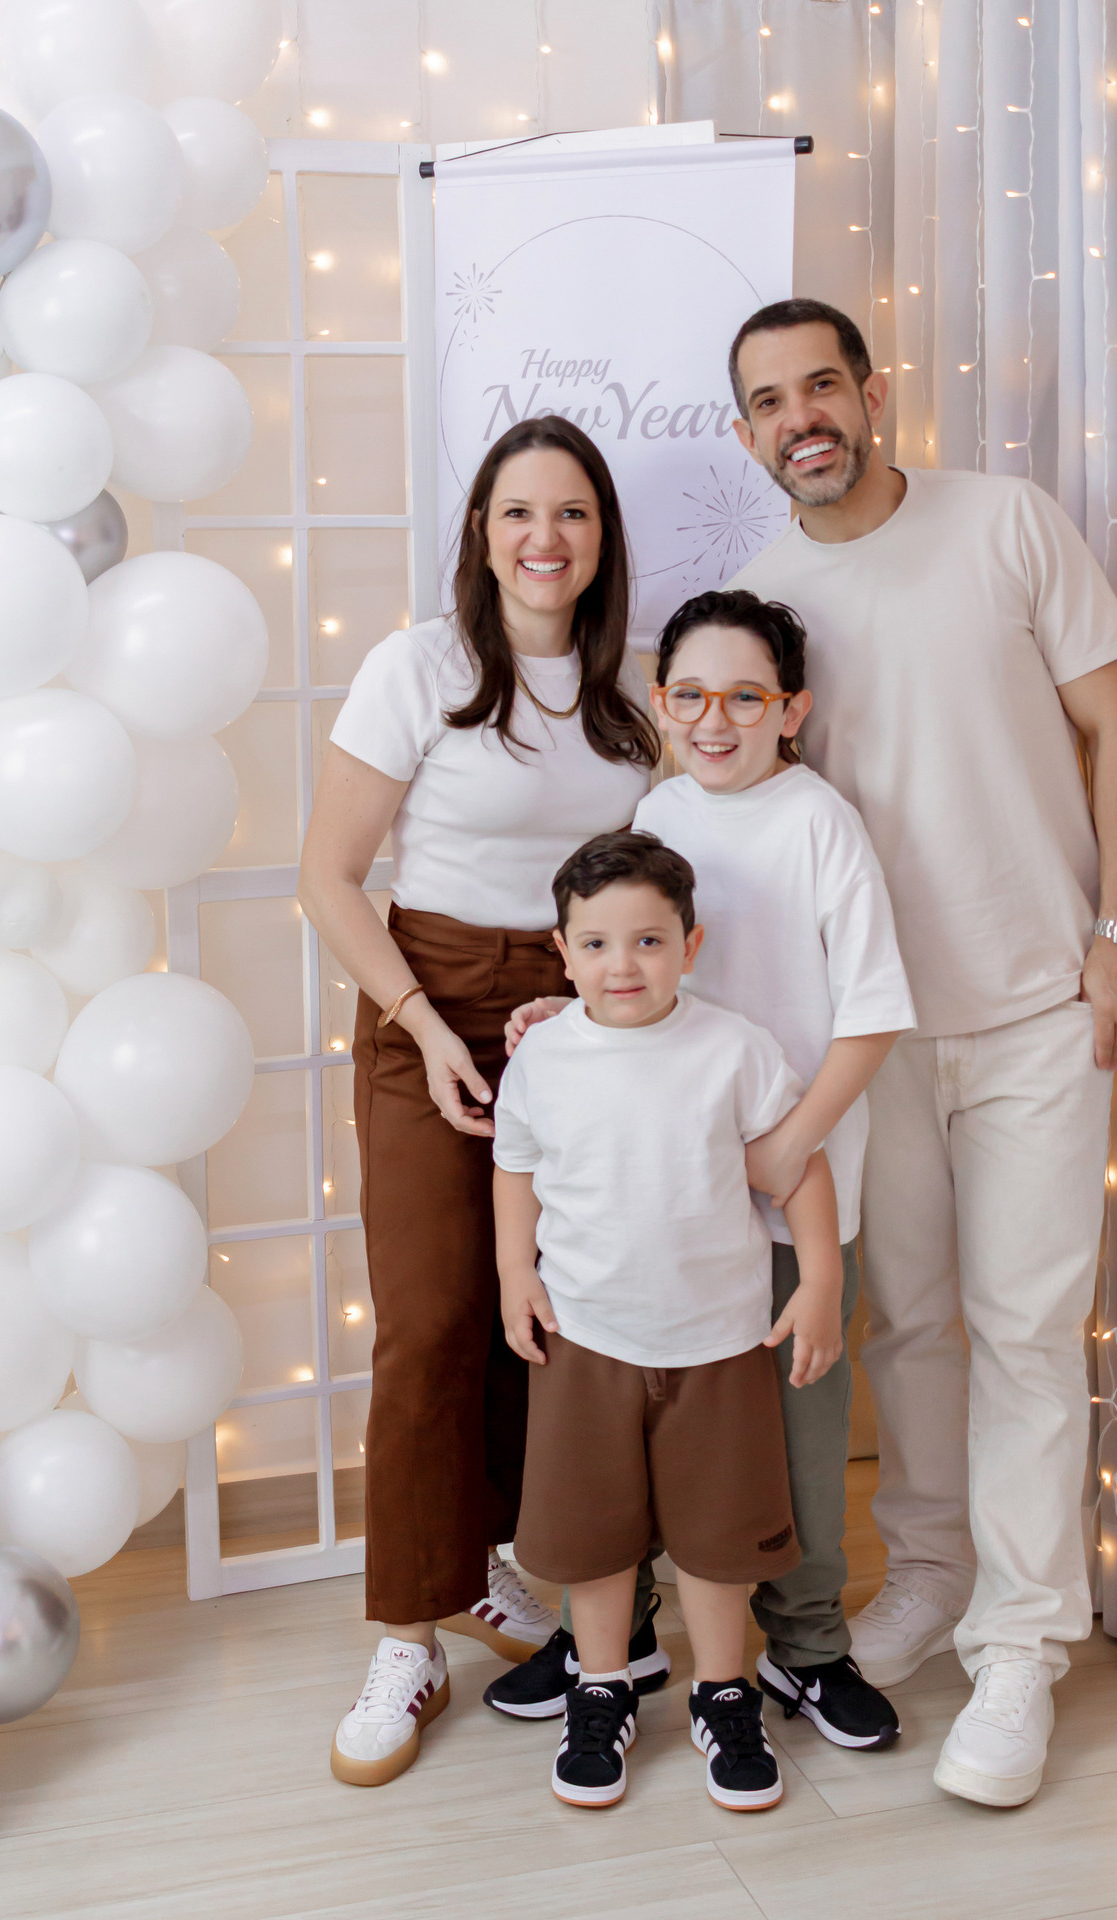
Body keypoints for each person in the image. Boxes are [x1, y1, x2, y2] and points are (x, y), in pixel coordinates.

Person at [724, 297, 1117, 1807]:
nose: (801, 418)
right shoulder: (764, 599)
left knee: (1027, 1330)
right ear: (746, 433)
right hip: (876, 1030)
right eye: (769, 401)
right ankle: (927, 1571)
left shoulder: (1005, 523)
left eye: (820, 386)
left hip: (1042, 1000)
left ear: (870, 391)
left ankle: (1024, 1645)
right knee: (908, 1323)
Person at [487, 588, 916, 1754]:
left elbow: (872, 1012)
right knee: (625, 1426)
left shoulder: (818, 822)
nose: (714, 720)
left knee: (787, 1445)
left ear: (789, 710)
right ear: (662, 702)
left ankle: (803, 1650)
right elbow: (640, 948)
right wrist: (569, 1015)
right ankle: (611, 1645)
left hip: (784, 1191)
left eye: (743, 697)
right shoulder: (662, 805)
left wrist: (789, 1145)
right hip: (659, 1197)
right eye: (690, 696)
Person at [297, 415, 659, 1788]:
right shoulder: (421, 667)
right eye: (518, 512)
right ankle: (408, 1634)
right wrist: (419, 1025)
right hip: (425, 1004)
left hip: (577, 1017)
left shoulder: (635, 691)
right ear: (480, 533)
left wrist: (593, 1004)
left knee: (548, 1316)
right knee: (432, 1318)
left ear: (602, 536)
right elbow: (328, 877)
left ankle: (494, 1561)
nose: (544, 539)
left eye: (571, 513)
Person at [494, 829, 846, 1809]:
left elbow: (798, 1167)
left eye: (648, 941)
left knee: (719, 1539)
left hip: (718, 1344)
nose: (623, 965)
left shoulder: (734, 1049)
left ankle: (722, 1692)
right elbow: (515, 1165)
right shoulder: (543, 1058)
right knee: (595, 1535)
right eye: (596, 944)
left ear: (690, 947)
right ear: (562, 953)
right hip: (585, 1339)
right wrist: (512, 1271)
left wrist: (818, 1277)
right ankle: (600, 1687)